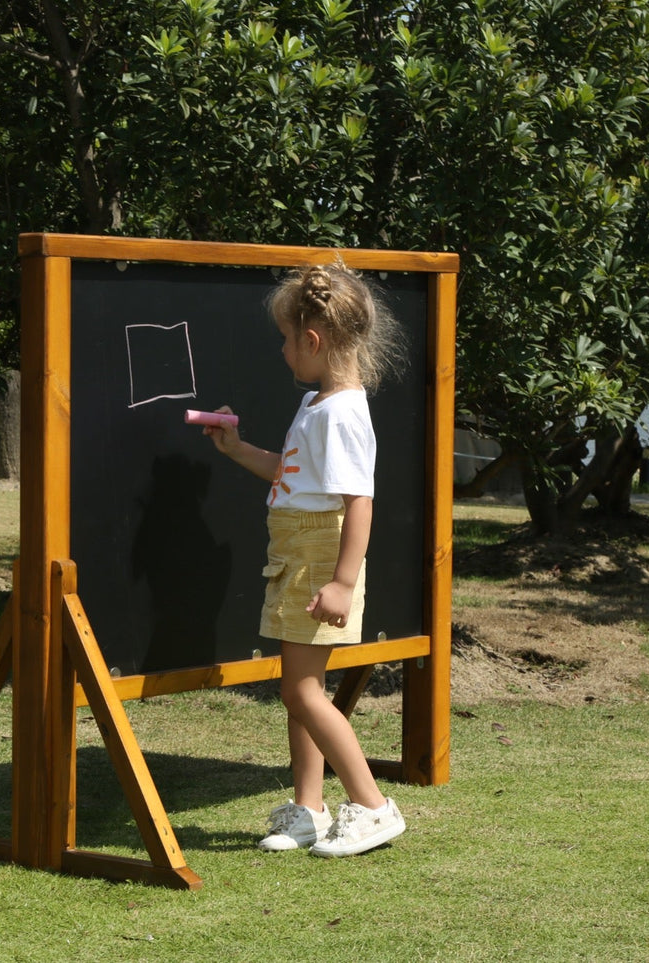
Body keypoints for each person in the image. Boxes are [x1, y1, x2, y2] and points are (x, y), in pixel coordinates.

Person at [202, 262, 408, 858]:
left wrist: (343, 581)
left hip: (319, 556)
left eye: (288, 340)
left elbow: (358, 501)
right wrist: (238, 449)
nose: (284, 351)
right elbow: (292, 476)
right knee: (303, 687)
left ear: (313, 341)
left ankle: (373, 806)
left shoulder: (340, 413)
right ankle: (309, 808)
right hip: (296, 552)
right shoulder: (319, 405)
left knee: (301, 692)